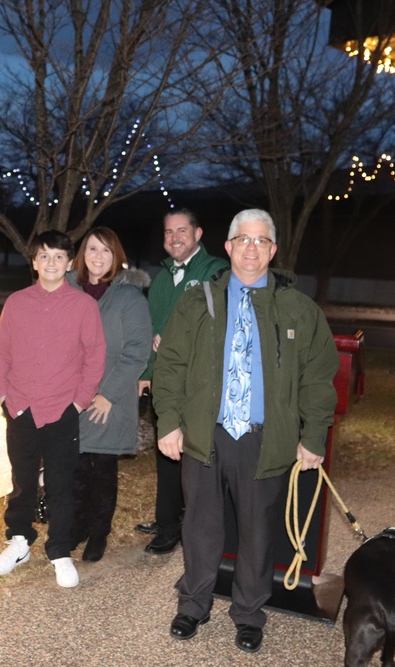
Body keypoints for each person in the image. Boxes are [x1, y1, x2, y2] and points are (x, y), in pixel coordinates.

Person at [151, 209, 339, 653]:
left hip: (263, 438)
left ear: (272, 250)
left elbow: (317, 375)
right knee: (200, 527)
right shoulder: (199, 301)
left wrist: (314, 435)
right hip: (203, 434)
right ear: (229, 247)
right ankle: (193, 605)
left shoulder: (297, 307)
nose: (251, 248)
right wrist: (169, 422)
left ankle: (249, 614)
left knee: (257, 532)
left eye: (261, 241)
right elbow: (171, 365)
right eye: (243, 239)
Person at [0, 230, 106, 588]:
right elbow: (1, 352)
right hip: (21, 406)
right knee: (21, 480)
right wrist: (4, 396)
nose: (51, 263)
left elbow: (95, 357)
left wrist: (78, 403)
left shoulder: (83, 305)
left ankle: (59, 550)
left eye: (58, 256)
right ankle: (19, 540)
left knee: (60, 484)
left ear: (69, 263)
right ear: (34, 262)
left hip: (61, 409)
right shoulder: (18, 302)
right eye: (43, 256)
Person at [136, 209, 228, 555]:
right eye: (169, 232)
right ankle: (167, 520)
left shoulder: (215, 271)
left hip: (199, 384)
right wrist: (147, 373)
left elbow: (220, 323)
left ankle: (188, 525)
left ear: (198, 233)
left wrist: (178, 340)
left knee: (197, 458)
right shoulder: (161, 278)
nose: (175, 237)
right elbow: (152, 328)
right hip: (167, 382)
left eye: (182, 231)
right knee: (166, 453)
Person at [67, 228, 151, 563]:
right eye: (91, 249)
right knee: (73, 468)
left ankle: (99, 531)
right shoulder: (67, 289)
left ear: (115, 256)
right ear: (81, 254)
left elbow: (137, 352)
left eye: (105, 250)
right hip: (70, 396)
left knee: (102, 467)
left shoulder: (129, 296)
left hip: (108, 398)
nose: (98, 257)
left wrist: (107, 395)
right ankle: (77, 526)